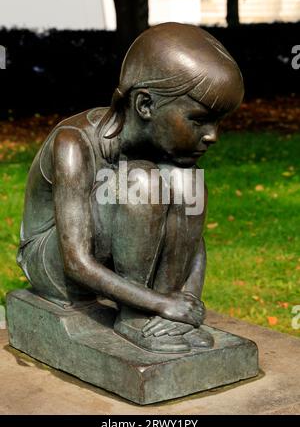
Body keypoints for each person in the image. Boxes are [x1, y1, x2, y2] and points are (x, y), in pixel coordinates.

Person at [17, 23, 244, 353]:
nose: (213, 135)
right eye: (198, 120)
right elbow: (76, 262)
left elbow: (194, 240)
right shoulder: (73, 143)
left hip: (118, 267)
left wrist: (185, 302)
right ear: (146, 105)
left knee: (184, 180)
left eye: (217, 122)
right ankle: (135, 316)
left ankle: (165, 326)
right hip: (54, 262)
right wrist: (157, 302)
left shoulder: (166, 153)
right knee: (140, 181)